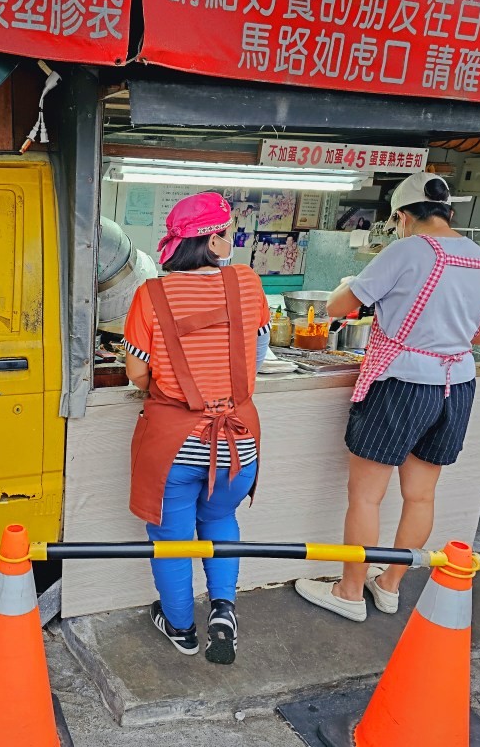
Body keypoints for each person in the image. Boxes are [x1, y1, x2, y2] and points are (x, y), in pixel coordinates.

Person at [295, 173, 480, 622]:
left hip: (403, 382)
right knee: (421, 496)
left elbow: (336, 307)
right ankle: (388, 586)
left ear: (403, 217)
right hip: (456, 386)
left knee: (366, 496)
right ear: (449, 212)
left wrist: (355, 282)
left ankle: (348, 592)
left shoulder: (406, 250)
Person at [123, 192, 271, 664]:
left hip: (174, 445)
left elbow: (136, 373)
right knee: (222, 521)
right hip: (237, 442)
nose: (232, 241)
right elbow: (260, 353)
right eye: (227, 233)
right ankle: (223, 611)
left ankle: (182, 627)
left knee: (172, 542)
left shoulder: (150, 295)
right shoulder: (246, 283)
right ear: (212, 239)